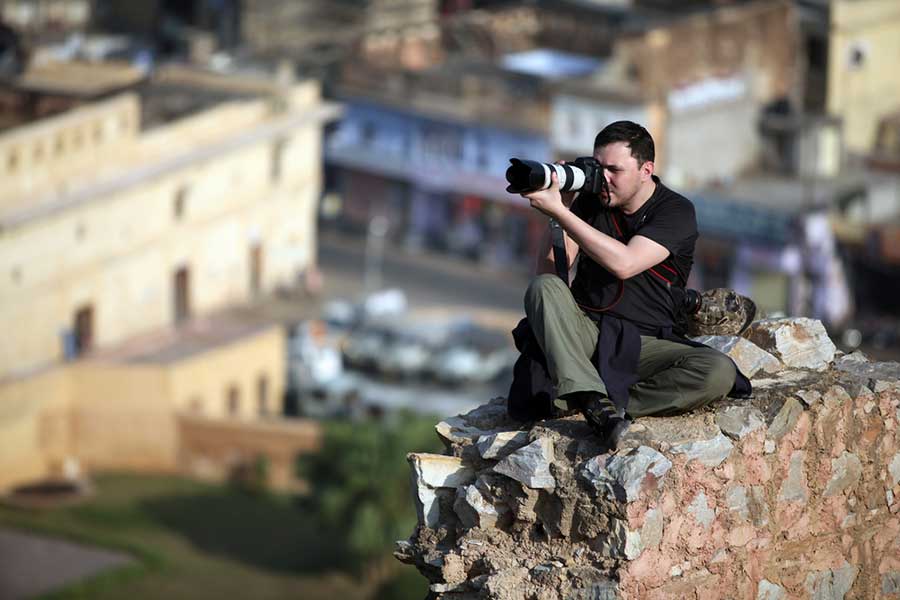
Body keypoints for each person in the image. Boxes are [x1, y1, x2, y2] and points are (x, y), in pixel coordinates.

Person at [513, 121, 749, 449]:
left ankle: (611, 404)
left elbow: (625, 263)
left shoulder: (675, 211)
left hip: (643, 344)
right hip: (585, 333)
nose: (604, 178)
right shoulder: (590, 202)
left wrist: (564, 216)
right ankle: (594, 403)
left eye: (614, 170)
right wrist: (562, 209)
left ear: (645, 169)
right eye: (599, 167)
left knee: (717, 371)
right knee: (542, 289)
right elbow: (551, 277)